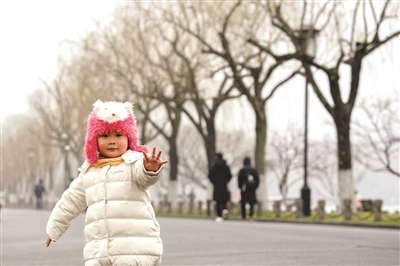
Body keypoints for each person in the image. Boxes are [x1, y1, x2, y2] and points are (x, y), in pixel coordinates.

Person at [45, 100, 168, 266]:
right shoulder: (89, 172)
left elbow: (144, 177)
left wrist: (150, 169)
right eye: (104, 136)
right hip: (100, 252)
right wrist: (54, 229)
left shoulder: (134, 163)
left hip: (134, 250)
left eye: (118, 135)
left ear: (129, 138)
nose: (112, 141)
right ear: (94, 140)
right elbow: (70, 201)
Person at [208, 152, 232, 222]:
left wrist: (214, 182)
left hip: (217, 185)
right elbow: (230, 175)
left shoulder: (213, 166)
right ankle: (225, 211)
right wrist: (225, 181)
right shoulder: (226, 166)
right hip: (224, 185)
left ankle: (219, 216)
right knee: (224, 201)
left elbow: (210, 175)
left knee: (218, 201)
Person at [238, 157, 259, 221]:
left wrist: (240, 187)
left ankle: (243, 216)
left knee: (243, 202)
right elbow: (257, 179)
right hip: (252, 189)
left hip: (244, 189)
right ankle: (250, 216)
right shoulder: (254, 170)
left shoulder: (242, 170)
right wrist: (255, 187)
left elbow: (239, 180)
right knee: (251, 203)